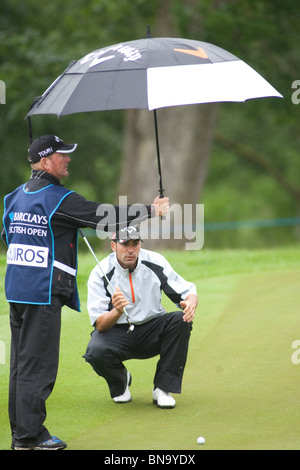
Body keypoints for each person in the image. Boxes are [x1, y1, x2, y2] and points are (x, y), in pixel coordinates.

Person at [1, 134, 169, 450]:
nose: (68, 159)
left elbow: (8, 237)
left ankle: (24, 434)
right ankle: (27, 438)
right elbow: (105, 216)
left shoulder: (14, 197)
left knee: (22, 365)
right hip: (43, 292)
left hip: (17, 290)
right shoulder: (59, 198)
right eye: (63, 154)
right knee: (38, 366)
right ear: (46, 161)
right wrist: (151, 208)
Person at [83, 225, 197, 409]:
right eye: (125, 244)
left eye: (135, 244)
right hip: (118, 332)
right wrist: (117, 311)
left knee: (179, 320)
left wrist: (190, 303)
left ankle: (162, 389)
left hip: (153, 329)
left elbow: (187, 291)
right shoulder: (101, 272)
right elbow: (100, 324)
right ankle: (121, 382)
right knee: (95, 350)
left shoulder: (154, 261)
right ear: (113, 246)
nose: (131, 250)